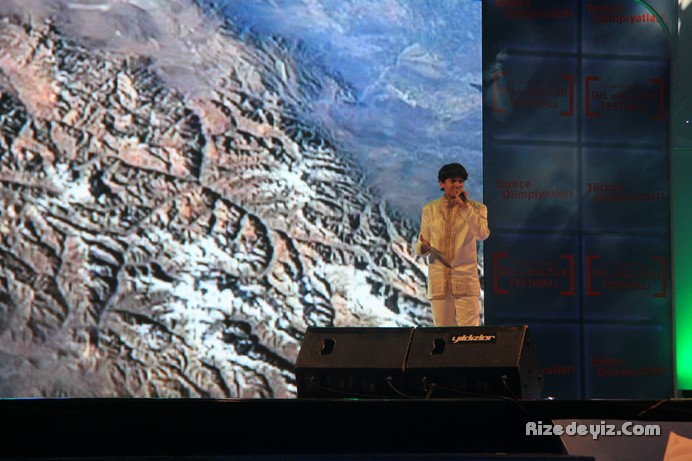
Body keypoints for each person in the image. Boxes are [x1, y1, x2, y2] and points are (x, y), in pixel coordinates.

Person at [415, 163, 490, 326]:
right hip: (439, 283)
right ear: (442, 183)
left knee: (469, 335)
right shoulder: (430, 209)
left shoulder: (477, 209)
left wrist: (465, 208)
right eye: (452, 181)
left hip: (465, 282)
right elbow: (421, 243)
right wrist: (423, 247)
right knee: (442, 335)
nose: (457, 185)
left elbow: (482, 234)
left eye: (460, 181)